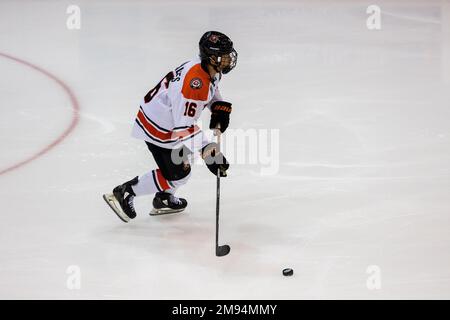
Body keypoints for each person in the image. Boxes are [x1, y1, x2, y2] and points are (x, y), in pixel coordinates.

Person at [103, 31, 238, 222]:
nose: (228, 59)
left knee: (184, 157)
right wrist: (209, 152)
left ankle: (164, 198)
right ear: (211, 57)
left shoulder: (208, 69)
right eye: (223, 56)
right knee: (178, 174)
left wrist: (217, 106)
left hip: (166, 121)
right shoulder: (194, 84)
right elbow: (183, 128)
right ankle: (123, 193)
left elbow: (211, 89)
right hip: (160, 128)